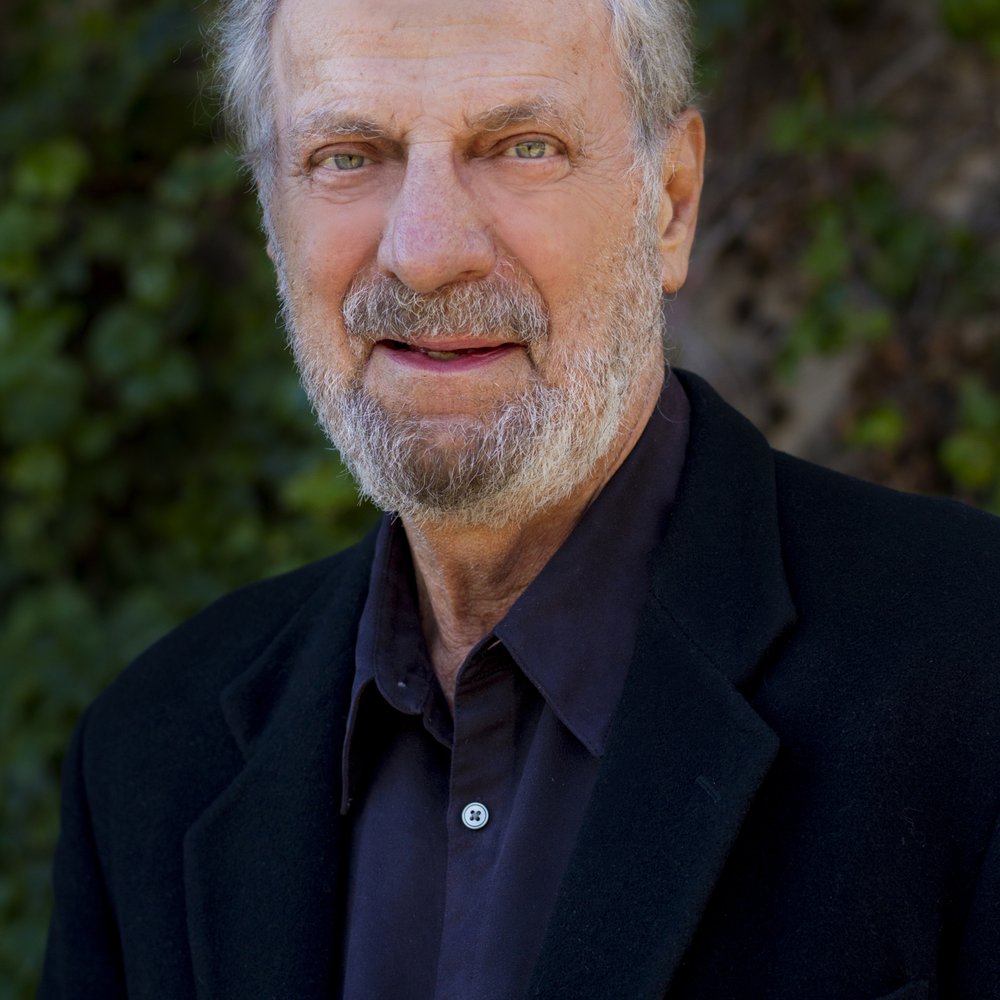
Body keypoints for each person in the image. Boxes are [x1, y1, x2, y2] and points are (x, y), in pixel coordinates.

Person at [40, 0, 1000, 997]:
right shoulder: (148, 760)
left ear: (670, 202)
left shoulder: (973, 667)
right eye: (347, 156)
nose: (425, 250)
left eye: (521, 147)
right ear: (271, 215)